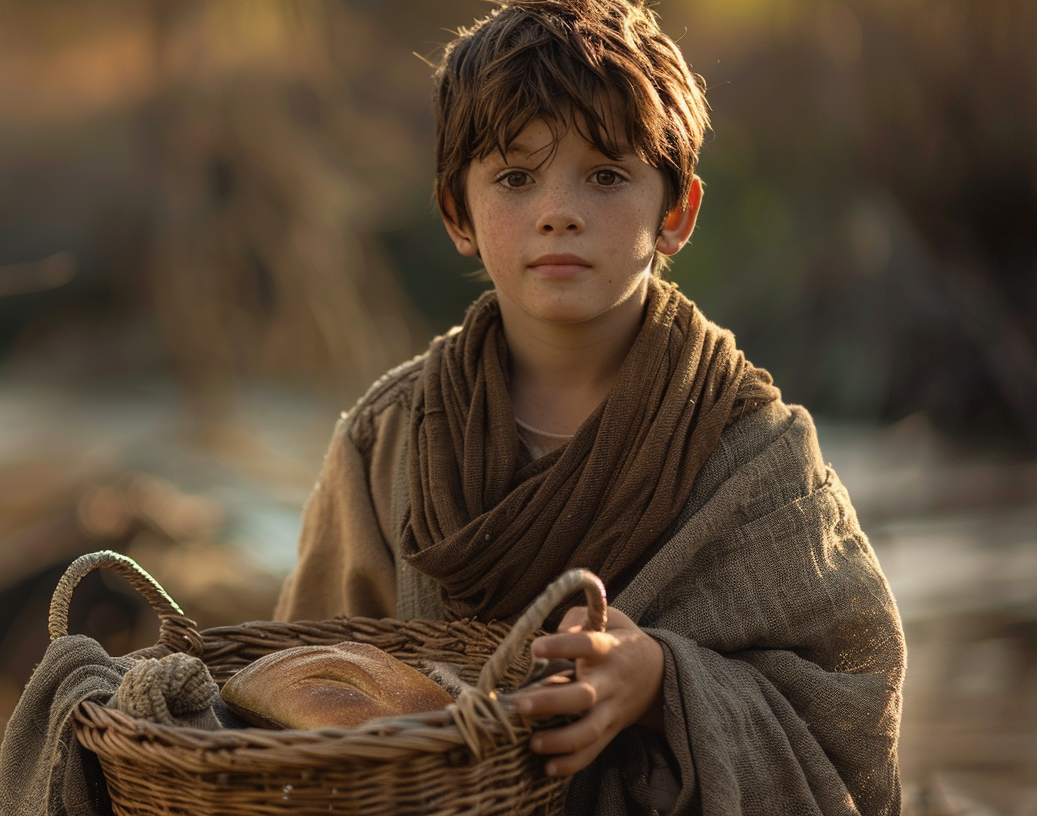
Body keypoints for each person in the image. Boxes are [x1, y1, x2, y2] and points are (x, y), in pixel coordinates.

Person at [273, 1, 905, 813]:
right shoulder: (385, 442)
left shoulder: (758, 458)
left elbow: (850, 717)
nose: (559, 209)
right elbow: (296, 691)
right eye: (515, 177)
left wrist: (662, 683)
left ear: (676, 213)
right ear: (457, 215)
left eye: (606, 175)